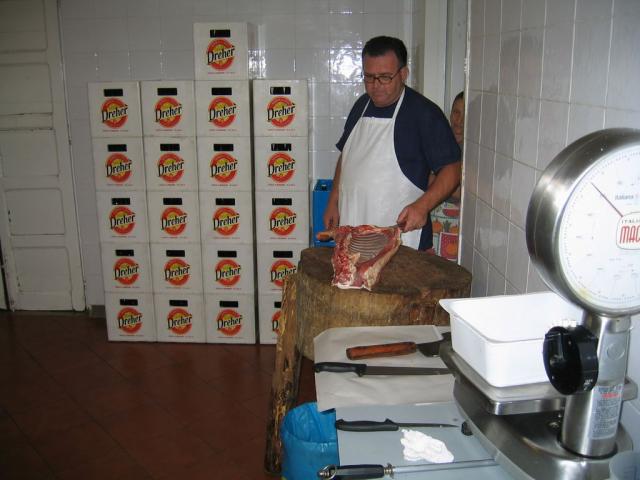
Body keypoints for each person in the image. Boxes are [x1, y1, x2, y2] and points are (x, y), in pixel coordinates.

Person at [323, 36, 461, 250]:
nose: (376, 85)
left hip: (403, 239)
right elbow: (347, 156)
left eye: (385, 77)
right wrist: (334, 199)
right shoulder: (361, 106)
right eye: (369, 77)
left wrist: (422, 206)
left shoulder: (424, 114)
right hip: (354, 232)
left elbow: (452, 170)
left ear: (403, 74)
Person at [429, 91, 464, 260]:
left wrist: (430, 180)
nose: (460, 120)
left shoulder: (475, 150)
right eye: (456, 112)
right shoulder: (437, 140)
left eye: (466, 114)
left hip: (457, 226)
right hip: (431, 221)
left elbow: (463, 192)